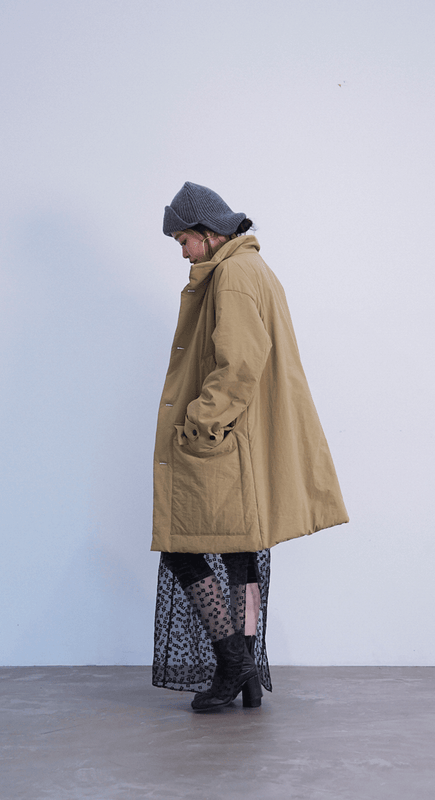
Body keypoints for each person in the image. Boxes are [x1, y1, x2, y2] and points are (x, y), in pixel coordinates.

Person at [151, 182, 348, 711]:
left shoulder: (234, 274)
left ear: (210, 234)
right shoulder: (253, 267)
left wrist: (200, 422)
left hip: (225, 439)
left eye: (184, 241)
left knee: (182, 547)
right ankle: (248, 670)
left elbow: (239, 363)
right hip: (244, 439)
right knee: (240, 553)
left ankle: (233, 661)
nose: (184, 253)